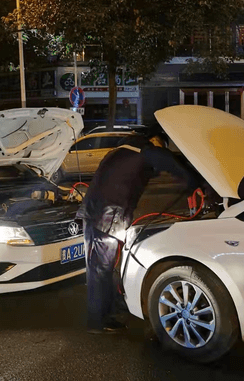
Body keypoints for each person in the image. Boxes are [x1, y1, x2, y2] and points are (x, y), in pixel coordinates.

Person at [76, 125, 202, 334]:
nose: (160, 147)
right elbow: (170, 163)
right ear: (153, 139)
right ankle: (97, 323)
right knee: (100, 271)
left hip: (97, 215)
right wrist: (196, 182)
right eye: (161, 143)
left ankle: (108, 313)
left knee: (103, 269)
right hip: (105, 218)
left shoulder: (120, 152)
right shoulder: (144, 150)